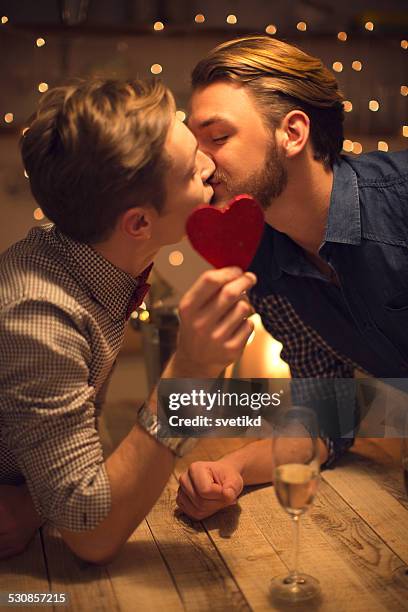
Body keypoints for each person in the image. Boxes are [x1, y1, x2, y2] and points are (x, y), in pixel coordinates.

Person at [0, 78, 257, 562]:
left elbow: (74, 484)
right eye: (188, 168)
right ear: (138, 224)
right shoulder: (39, 317)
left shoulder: (93, 263)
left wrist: (43, 502)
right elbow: (91, 534)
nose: (209, 163)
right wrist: (189, 372)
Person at [176, 34, 408, 520]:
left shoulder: (400, 204)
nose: (200, 163)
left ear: (294, 133)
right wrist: (233, 467)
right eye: (196, 145)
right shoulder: (264, 260)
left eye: (217, 138)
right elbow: (327, 416)